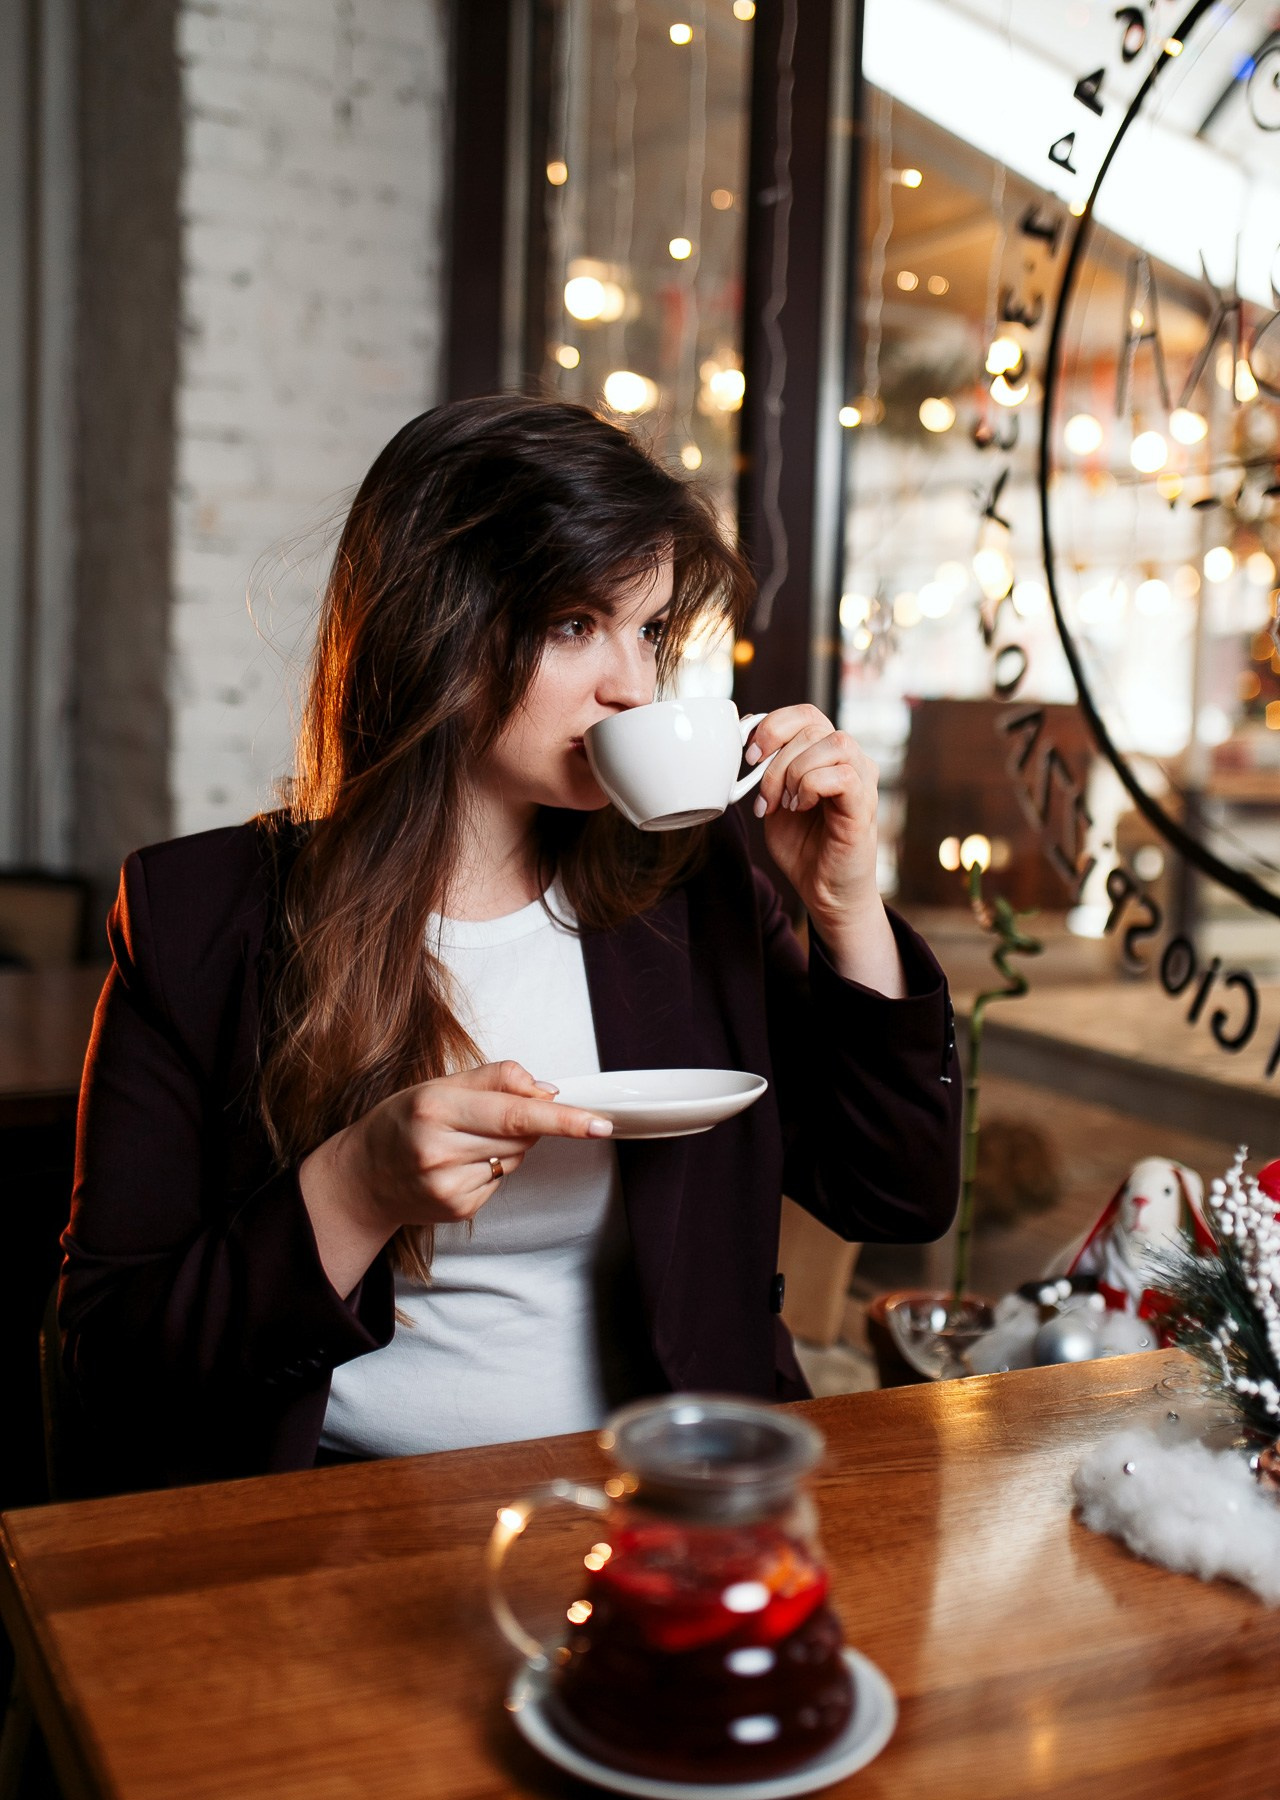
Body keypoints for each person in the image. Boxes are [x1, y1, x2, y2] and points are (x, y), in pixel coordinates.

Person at [60, 395, 962, 1493]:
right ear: (433, 624)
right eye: (575, 625)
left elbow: (895, 1197)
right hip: (333, 1511)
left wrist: (845, 909)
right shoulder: (199, 915)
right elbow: (110, 1367)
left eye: (649, 631)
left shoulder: (691, 881)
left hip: (665, 1494)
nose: (632, 686)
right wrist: (355, 1188)